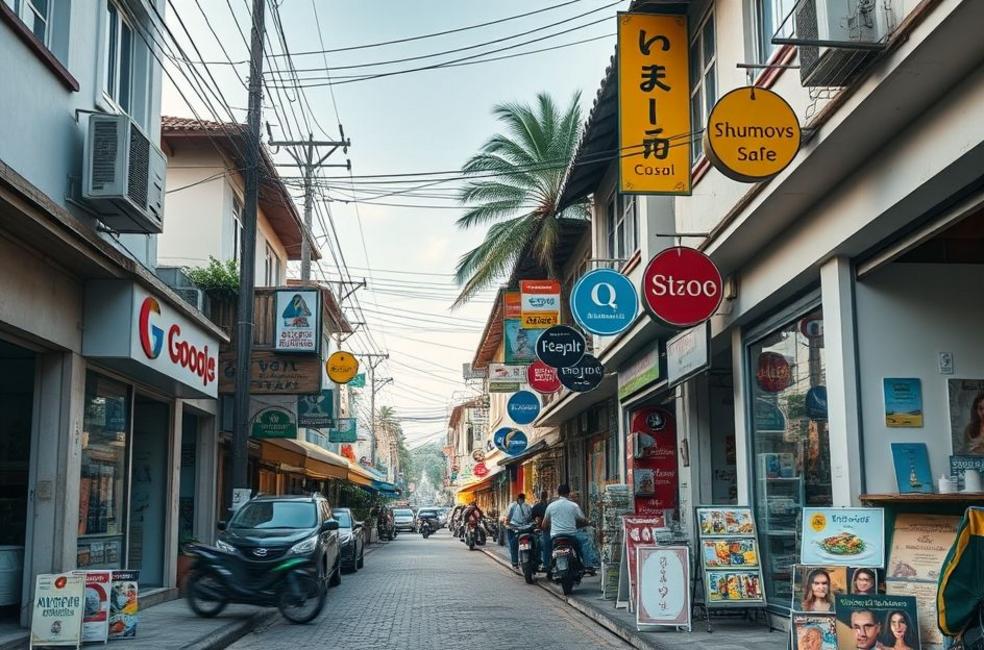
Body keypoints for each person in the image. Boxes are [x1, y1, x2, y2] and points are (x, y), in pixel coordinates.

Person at [540, 484, 598, 574]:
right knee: (584, 542)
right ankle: (588, 565)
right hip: (571, 536)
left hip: (555, 536)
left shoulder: (551, 506)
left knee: (546, 544)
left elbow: (544, 525)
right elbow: (582, 519)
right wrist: (589, 522)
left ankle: (546, 565)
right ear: (568, 493)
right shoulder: (573, 506)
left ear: (558, 493)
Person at [503, 493, 533, 567]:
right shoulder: (528, 506)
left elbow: (508, 516)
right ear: (524, 499)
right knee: (525, 544)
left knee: (513, 545)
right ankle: (524, 560)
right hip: (525, 529)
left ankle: (515, 562)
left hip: (513, 528)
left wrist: (507, 522)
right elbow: (530, 518)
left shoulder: (512, 505)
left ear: (518, 498)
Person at [530, 490, 551, 571]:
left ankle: (543, 563)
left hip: (544, 529)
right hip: (551, 528)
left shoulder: (538, 506)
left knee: (540, 545)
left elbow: (531, 517)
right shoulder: (549, 505)